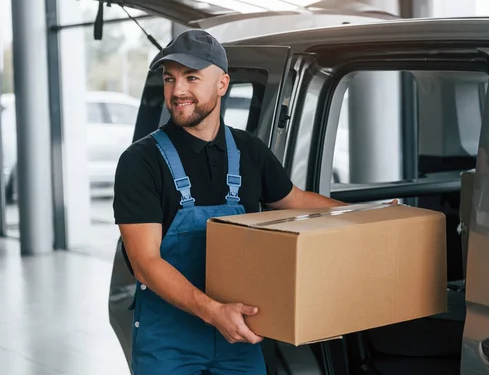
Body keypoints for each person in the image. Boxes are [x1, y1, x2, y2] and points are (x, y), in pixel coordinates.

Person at [112, 29, 345, 375]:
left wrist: (364, 217)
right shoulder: (141, 161)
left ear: (222, 84)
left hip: (239, 335)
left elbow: (295, 200)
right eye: (169, 78)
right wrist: (213, 312)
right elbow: (145, 263)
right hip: (170, 343)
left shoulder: (249, 151)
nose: (178, 91)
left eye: (192, 78)